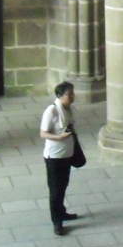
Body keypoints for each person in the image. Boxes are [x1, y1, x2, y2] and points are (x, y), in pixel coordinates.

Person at [39, 82, 80, 237]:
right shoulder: (52, 110)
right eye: (69, 94)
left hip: (66, 154)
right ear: (59, 96)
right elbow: (43, 133)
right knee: (55, 190)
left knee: (63, 185)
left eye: (72, 93)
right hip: (54, 156)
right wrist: (59, 137)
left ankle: (62, 212)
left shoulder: (69, 110)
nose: (72, 97)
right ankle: (57, 221)